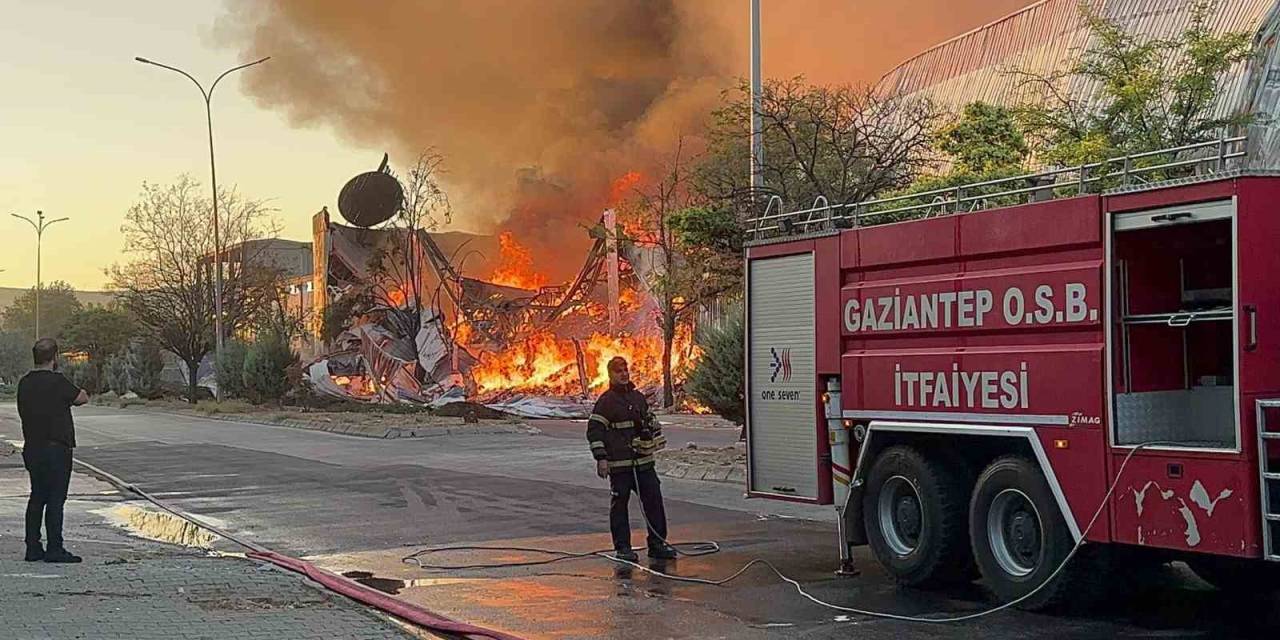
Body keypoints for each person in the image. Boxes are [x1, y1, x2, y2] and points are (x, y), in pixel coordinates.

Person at [586, 356, 677, 562]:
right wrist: (601, 458)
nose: (624, 374)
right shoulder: (606, 401)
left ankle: (657, 544)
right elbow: (594, 431)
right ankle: (623, 548)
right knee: (620, 506)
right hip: (620, 466)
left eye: (625, 370)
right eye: (619, 371)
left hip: (643, 463)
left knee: (654, 501)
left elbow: (649, 421)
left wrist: (652, 431)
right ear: (610, 374)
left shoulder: (637, 397)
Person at [18, 338, 89, 563]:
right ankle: (55, 548)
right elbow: (81, 398)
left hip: (33, 448)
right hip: (57, 449)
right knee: (56, 498)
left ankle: (32, 547)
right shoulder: (58, 382)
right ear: (55, 357)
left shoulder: (24, 383)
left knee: (37, 496)